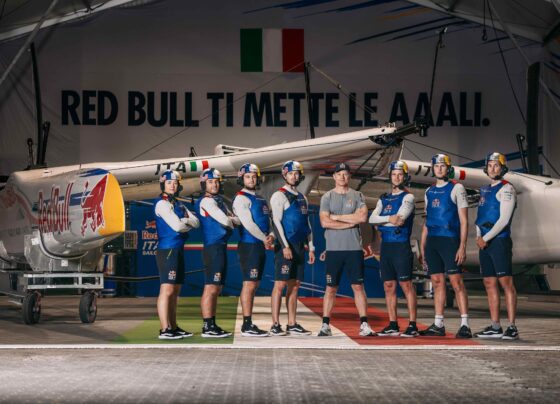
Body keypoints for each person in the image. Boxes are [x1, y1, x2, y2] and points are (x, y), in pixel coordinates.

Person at [318, 162, 376, 337]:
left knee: (358, 287)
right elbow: (324, 222)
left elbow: (362, 218)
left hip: (354, 249)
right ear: (334, 176)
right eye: (339, 174)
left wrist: (337, 217)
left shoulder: (357, 195)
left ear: (349, 176)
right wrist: (350, 222)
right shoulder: (327, 197)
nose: (342, 177)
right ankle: (325, 325)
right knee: (330, 288)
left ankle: (364, 324)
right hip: (333, 249)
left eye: (345, 174)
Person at [420, 154, 472, 338]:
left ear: (448, 168)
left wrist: (462, 246)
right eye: (436, 166)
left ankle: (465, 325)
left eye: (443, 166)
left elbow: (464, 221)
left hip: (450, 241)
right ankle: (438, 324)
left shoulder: (457, 188)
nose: (439, 168)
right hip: (433, 241)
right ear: (433, 169)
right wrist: (423, 248)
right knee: (436, 282)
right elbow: (427, 223)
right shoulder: (429, 191)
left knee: (457, 282)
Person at [369, 161, 419, 337]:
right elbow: (371, 220)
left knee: (406, 285)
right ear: (390, 176)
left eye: (400, 174)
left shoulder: (408, 197)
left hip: (401, 246)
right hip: (387, 247)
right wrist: (389, 219)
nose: (396, 177)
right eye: (394, 174)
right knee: (388, 285)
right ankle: (393, 324)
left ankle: (412, 325)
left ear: (405, 177)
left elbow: (400, 219)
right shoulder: (383, 198)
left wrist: (384, 220)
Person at [474, 152, 519, 340]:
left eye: (496, 165)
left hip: (499, 241)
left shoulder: (507, 188)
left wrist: (486, 238)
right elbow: (480, 216)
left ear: (502, 168)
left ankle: (512, 327)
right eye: (490, 165)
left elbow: (504, 220)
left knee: (505, 283)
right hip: (484, 242)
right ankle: (495, 326)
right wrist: (479, 236)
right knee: (489, 283)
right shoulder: (484, 189)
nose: (493, 168)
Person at [269, 160, 315, 336]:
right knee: (280, 284)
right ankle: (275, 324)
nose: (294, 176)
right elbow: (276, 222)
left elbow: (307, 224)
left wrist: (311, 247)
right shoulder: (279, 195)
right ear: (284, 175)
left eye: (296, 173)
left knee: (295, 285)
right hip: (285, 246)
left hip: (300, 247)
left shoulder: (303, 197)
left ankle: (292, 323)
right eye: (290, 173)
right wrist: (285, 246)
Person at [155, 170, 199, 340]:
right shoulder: (162, 204)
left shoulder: (179, 204)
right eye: (169, 183)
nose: (172, 185)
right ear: (163, 185)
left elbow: (196, 222)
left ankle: (173, 327)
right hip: (168, 250)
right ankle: (165, 329)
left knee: (175, 291)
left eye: (175, 183)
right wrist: (186, 223)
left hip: (178, 249)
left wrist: (185, 221)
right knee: (167, 290)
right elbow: (178, 227)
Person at [195, 168, 239, 338]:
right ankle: (207, 326)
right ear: (204, 184)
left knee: (217, 288)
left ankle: (212, 324)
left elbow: (234, 220)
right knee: (211, 287)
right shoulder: (207, 202)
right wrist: (232, 220)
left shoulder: (218, 201)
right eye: (210, 182)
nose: (214, 184)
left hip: (220, 247)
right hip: (213, 248)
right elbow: (227, 221)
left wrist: (232, 220)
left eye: (216, 181)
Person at [232, 163, 274, 337]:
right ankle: (246, 324)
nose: (251, 179)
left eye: (254, 177)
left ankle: (248, 323)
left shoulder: (260, 198)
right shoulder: (241, 198)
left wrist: (271, 235)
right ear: (242, 179)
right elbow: (248, 224)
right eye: (248, 177)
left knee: (254, 284)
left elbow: (269, 221)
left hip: (259, 245)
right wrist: (265, 238)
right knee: (249, 284)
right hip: (249, 245)